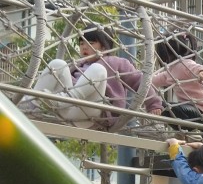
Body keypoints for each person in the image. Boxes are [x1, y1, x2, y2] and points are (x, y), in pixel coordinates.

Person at [24, 26, 162, 129]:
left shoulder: (115, 62)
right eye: (81, 43)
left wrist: (153, 104)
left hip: (92, 114)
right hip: (68, 111)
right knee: (58, 64)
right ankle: (28, 103)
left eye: (91, 43)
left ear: (104, 47)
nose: (84, 47)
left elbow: (139, 80)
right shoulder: (77, 65)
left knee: (98, 69)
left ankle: (61, 99)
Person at [151, 33, 203, 124]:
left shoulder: (185, 64)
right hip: (189, 112)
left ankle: (189, 129)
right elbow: (152, 81)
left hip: (202, 112)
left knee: (164, 106)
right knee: (158, 105)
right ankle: (184, 129)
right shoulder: (170, 71)